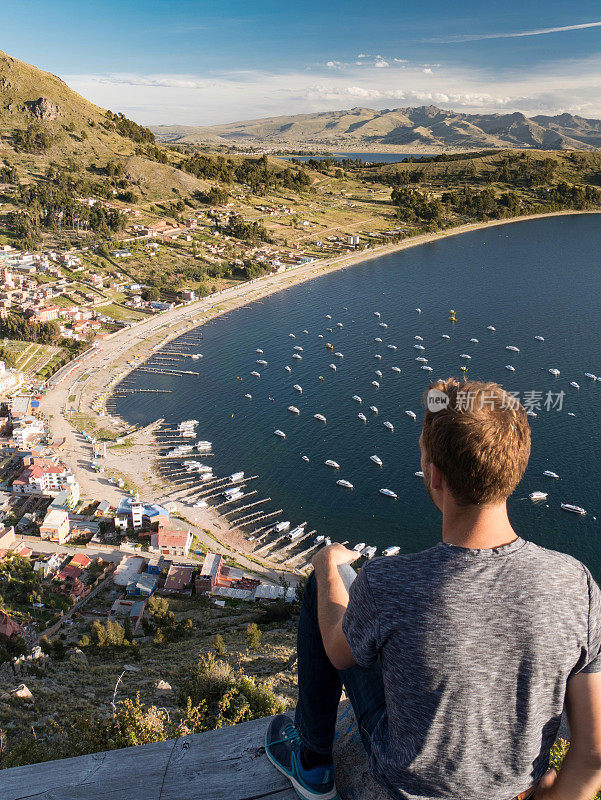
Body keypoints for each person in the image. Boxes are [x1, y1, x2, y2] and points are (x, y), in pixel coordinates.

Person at [265, 378, 601, 800]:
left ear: (433, 474)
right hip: (515, 787)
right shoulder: (576, 585)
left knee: (324, 587)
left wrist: (327, 563)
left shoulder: (389, 582)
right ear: (517, 469)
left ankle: (313, 764)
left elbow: (336, 649)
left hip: (405, 781)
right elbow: (592, 756)